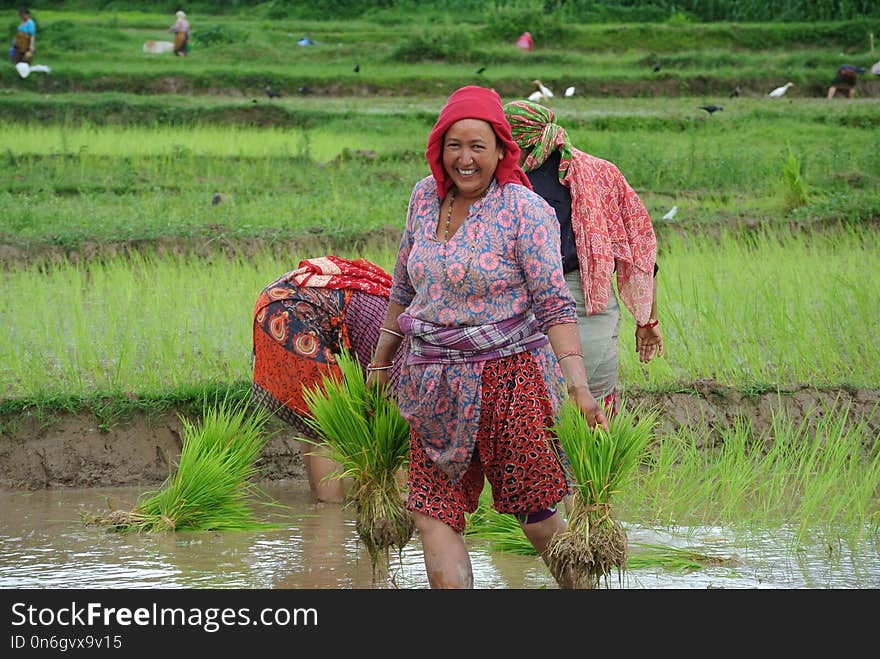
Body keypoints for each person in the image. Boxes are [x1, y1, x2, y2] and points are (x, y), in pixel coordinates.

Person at [366, 85, 609, 589]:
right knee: (433, 511)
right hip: (430, 381)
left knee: (536, 514)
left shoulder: (525, 209)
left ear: (501, 150)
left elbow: (554, 304)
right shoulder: (422, 198)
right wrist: (381, 361)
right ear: (439, 148)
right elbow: (404, 285)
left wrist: (580, 387)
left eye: (478, 146)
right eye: (455, 145)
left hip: (511, 379)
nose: (465, 158)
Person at [503, 99, 664, 418]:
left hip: (549, 301)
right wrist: (648, 320)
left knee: (542, 407)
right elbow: (640, 253)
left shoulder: (509, 183)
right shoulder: (602, 173)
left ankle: (570, 465)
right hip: (581, 303)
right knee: (588, 404)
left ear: (519, 141)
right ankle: (590, 464)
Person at [251, 255, 403, 503]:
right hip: (295, 312)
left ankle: (320, 505)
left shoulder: (401, 313)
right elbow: (391, 433)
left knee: (316, 422)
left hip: (278, 302)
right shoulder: (409, 351)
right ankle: (330, 515)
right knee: (329, 428)